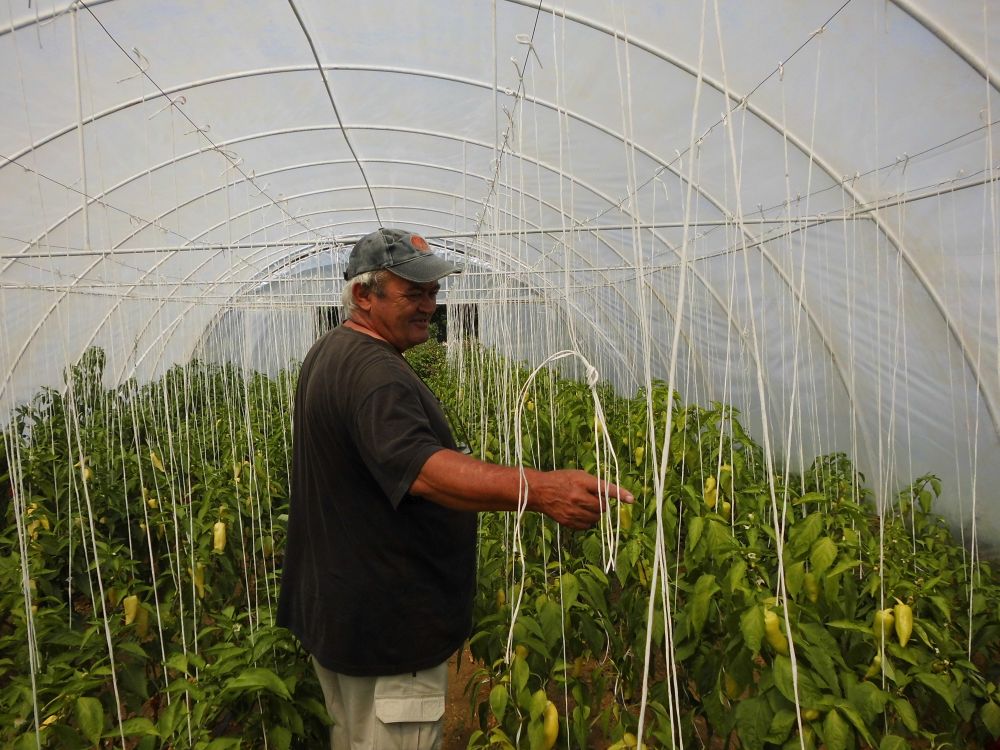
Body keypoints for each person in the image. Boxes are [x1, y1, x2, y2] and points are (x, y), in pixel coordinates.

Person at [276, 227, 633, 749]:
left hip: (346, 620)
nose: (430, 305)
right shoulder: (376, 375)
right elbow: (421, 468)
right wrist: (540, 489)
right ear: (362, 295)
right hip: (387, 634)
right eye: (413, 292)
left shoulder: (333, 351)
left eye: (433, 292)